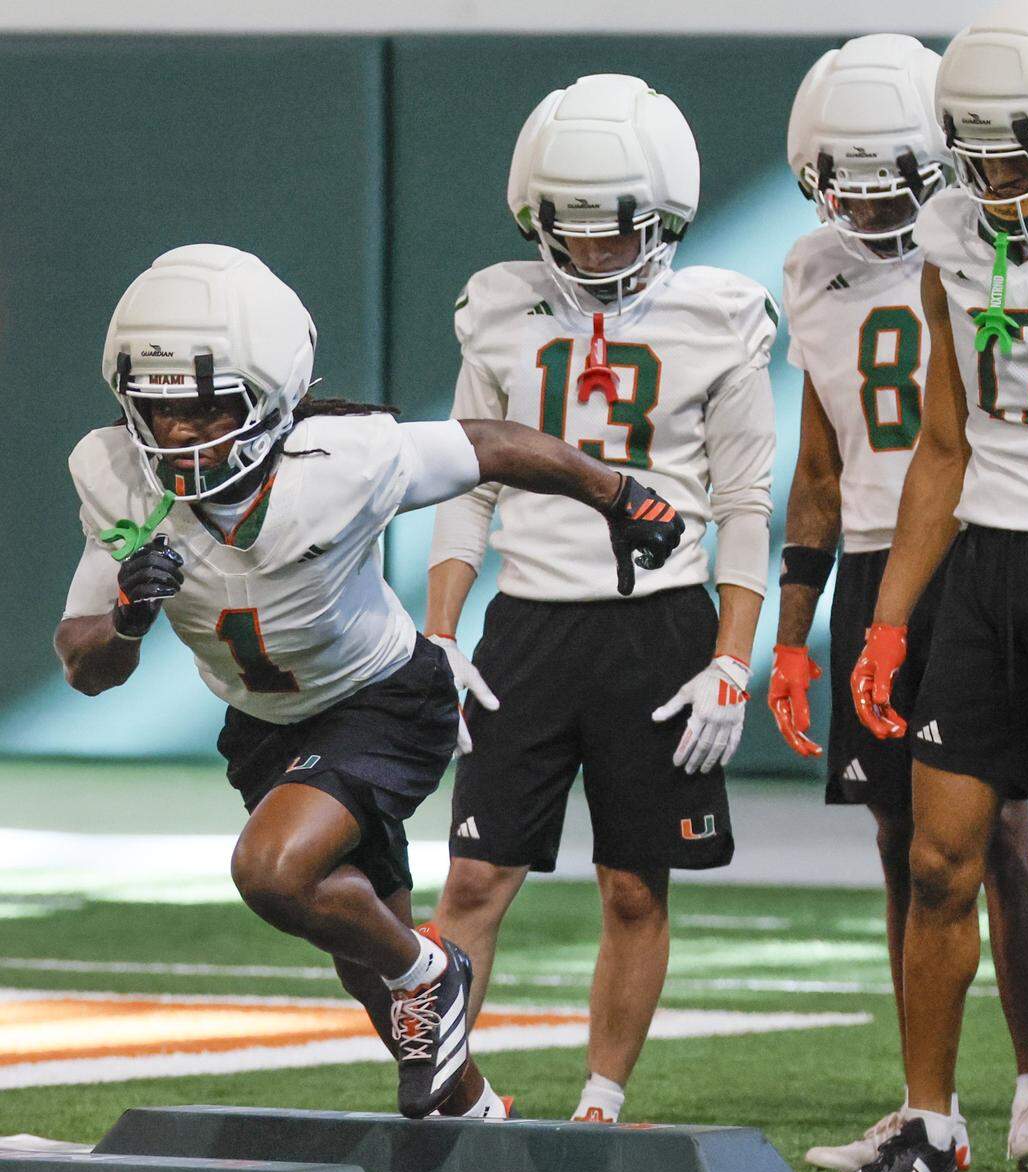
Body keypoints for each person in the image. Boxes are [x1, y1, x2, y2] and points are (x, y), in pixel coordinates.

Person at [53, 242, 684, 1123]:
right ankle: (475, 1113)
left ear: (271, 398)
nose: (180, 435)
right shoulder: (115, 477)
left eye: (206, 409)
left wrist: (619, 496)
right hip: (265, 723)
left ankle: (436, 967)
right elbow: (85, 667)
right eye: (157, 412)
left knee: (276, 873)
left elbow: (492, 445)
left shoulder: (342, 459)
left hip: (382, 699)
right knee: (362, 959)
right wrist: (126, 616)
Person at [819, 0, 1028, 1172]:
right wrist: (893, 618)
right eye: (981, 153)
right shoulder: (951, 232)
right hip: (987, 574)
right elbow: (943, 446)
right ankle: (932, 1126)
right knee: (938, 857)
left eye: (1019, 156)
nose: (995, 180)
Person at [426, 73, 777, 1123]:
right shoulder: (497, 304)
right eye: (567, 229)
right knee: (474, 884)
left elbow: (746, 503)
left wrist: (729, 658)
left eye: (613, 228)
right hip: (526, 623)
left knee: (632, 884)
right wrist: (439, 633)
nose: (590, 250)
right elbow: (463, 481)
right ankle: (447, 1088)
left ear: (663, 216)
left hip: (658, 627)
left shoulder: (719, 315)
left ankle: (601, 1100)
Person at [770, 34, 1028, 1172]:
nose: (867, 197)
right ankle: (923, 1103)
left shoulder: (987, 244)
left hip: (981, 554)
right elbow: (818, 465)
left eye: (891, 172)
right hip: (866, 562)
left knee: (995, 831)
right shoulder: (811, 269)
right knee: (904, 842)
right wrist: (791, 636)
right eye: (845, 174)